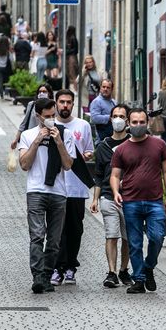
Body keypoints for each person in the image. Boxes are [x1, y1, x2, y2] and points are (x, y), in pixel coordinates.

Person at [110, 107, 166, 294]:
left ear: (148, 123)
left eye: (142, 122)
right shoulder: (121, 149)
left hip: (155, 201)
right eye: (135, 122)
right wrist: (115, 192)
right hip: (130, 201)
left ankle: (149, 266)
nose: (138, 125)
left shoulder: (159, 145)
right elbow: (114, 175)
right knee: (135, 243)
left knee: (157, 237)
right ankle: (139, 279)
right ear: (129, 124)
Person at [17, 98, 73, 294]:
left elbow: (67, 165)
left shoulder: (64, 134)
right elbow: (24, 164)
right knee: (37, 236)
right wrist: (37, 140)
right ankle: (38, 277)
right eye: (47, 117)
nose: (51, 120)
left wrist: (58, 142)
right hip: (36, 191)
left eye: (53, 116)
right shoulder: (27, 135)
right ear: (38, 116)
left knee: (54, 240)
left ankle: (47, 275)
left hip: (58, 192)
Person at [52, 90, 94, 286]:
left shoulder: (83, 125)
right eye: (62, 102)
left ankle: (71, 266)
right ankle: (57, 267)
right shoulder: (51, 126)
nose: (65, 106)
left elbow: (89, 150)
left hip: (77, 187)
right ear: (56, 103)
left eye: (68, 102)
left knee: (75, 229)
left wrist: (86, 156)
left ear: (73, 103)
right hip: (57, 186)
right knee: (57, 229)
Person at [92, 104, 132, 288]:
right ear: (110, 119)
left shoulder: (134, 143)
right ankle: (111, 272)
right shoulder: (103, 146)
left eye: (121, 116)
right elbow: (99, 175)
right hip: (108, 197)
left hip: (131, 198)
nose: (118, 119)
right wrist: (94, 199)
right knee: (112, 234)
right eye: (115, 115)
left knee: (128, 237)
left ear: (127, 120)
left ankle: (124, 270)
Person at [11, 85, 54, 150]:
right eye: (40, 92)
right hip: (31, 138)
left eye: (44, 92)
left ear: (49, 93)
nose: (41, 94)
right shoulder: (31, 105)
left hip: (47, 139)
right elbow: (23, 123)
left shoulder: (53, 107)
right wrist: (16, 140)